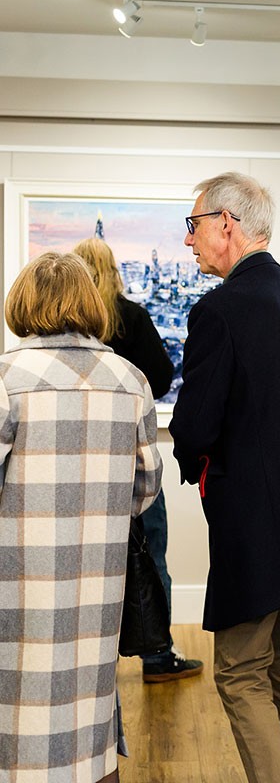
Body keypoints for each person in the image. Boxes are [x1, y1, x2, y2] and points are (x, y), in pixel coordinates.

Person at [169, 172, 280, 783]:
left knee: (242, 675)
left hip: (258, 529)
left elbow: (193, 426)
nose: (189, 241)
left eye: (193, 226)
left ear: (227, 222)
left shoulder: (220, 310)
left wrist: (194, 461)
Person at [0, 252, 162, 783]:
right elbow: (146, 488)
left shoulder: (7, 378)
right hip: (97, 585)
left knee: (18, 717)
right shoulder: (130, 380)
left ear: (23, 303)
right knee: (88, 714)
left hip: (17, 587)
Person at [72, 237, 203, 683]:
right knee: (150, 556)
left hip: (75, 461)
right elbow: (165, 376)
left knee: (81, 563)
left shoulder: (62, 327)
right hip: (128, 457)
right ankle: (157, 655)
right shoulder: (131, 317)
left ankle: (89, 660)